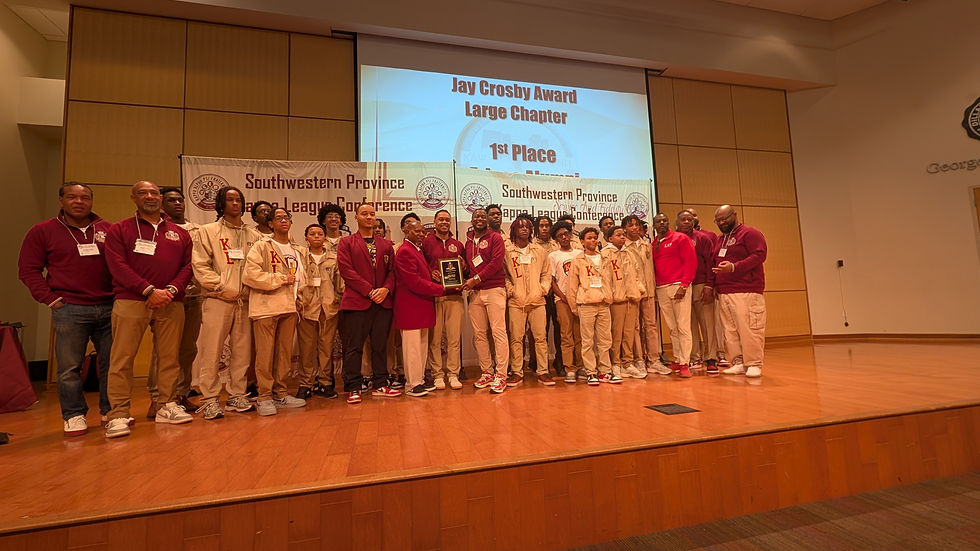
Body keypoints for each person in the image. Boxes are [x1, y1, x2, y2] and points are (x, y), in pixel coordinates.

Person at [18, 182, 114, 436]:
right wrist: (49, 299)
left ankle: (110, 411)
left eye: (84, 197)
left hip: (109, 307)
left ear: (92, 201)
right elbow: (28, 270)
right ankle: (73, 415)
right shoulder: (43, 231)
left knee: (112, 364)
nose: (79, 202)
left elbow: (122, 265)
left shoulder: (107, 229)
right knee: (69, 368)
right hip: (70, 309)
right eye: (72, 197)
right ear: (61, 200)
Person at [103, 181, 194, 438]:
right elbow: (116, 264)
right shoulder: (120, 229)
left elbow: (188, 266)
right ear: (133, 198)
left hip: (171, 301)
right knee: (122, 359)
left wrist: (172, 290)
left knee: (169, 357)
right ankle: (119, 414)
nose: (150, 197)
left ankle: (166, 405)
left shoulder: (179, 232)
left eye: (155, 193)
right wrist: (148, 290)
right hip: (131, 300)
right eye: (144, 193)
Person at [191, 186, 263, 420]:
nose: (235, 204)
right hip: (218, 299)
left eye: (238, 200)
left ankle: (236, 395)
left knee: (242, 352)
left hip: (245, 301)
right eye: (229, 200)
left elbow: (259, 268)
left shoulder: (254, 235)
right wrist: (221, 287)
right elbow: (200, 265)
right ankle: (210, 399)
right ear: (220, 204)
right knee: (212, 351)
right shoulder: (207, 231)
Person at [242, 207, 308, 415]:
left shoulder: (297, 249)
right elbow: (250, 275)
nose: (283, 221)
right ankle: (264, 397)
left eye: (286, 218)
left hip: (289, 307)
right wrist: (280, 279)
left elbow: (302, 278)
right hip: (266, 307)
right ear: (270, 224)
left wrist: (300, 298)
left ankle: (281, 393)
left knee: (284, 353)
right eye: (278, 218)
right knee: (265, 354)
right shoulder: (262, 246)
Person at [146, 187, 202, 418]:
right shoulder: (154, 230)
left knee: (188, 349)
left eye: (180, 199)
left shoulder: (197, 230)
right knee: (163, 350)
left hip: (194, 296)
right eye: (171, 200)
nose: (177, 203)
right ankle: (158, 398)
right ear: (161, 202)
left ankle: (180, 394)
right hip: (165, 297)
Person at [337, 203, 400, 404]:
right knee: (354, 347)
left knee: (380, 346)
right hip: (357, 302)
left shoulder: (386, 244)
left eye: (372, 214)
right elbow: (347, 271)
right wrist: (369, 291)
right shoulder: (346, 242)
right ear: (356, 217)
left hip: (382, 302)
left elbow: (392, 272)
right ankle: (354, 386)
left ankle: (381, 383)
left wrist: (386, 289)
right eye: (364, 214)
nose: (369, 217)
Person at [710, 205, 768, 378]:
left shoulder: (750, 233)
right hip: (725, 291)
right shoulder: (721, 238)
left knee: (749, 328)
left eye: (725, 219)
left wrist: (734, 267)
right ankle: (738, 362)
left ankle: (754, 363)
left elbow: (759, 255)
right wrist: (715, 285)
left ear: (734, 215)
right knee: (730, 329)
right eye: (718, 221)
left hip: (747, 289)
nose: (721, 223)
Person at [394, 218, 448, 397]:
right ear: (406, 231)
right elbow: (414, 282)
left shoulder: (416, 250)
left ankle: (420, 379)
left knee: (422, 345)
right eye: (417, 231)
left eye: (423, 232)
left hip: (421, 305)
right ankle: (412, 383)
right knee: (412, 348)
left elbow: (422, 276)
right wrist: (440, 289)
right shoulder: (404, 251)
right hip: (410, 306)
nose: (422, 235)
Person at [503, 214, 553, 386]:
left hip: (537, 301)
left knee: (540, 338)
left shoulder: (539, 250)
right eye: (521, 226)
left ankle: (543, 371)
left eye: (527, 226)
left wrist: (543, 289)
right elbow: (505, 276)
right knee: (516, 338)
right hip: (516, 302)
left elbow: (546, 274)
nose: (524, 229)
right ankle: (517, 371)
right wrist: (511, 290)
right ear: (514, 229)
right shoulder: (507, 251)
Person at [463, 207, 508, 394]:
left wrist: (476, 279)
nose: (480, 218)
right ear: (472, 220)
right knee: (479, 334)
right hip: (475, 293)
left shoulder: (495, 238)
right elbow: (470, 268)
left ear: (487, 220)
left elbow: (496, 263)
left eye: (483, 216)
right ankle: (487, 372)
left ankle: (501, 376)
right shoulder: (467, 242)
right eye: (476, 216)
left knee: (498, 333)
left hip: (494, 289)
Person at [421, 209, 466, 390]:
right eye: (441, 219)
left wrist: (463, 267)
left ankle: (453, 374)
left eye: (447, 220)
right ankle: (437, 374)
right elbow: (421, 265)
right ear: (434, 221)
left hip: (455, 295)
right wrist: (430, 272)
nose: (444, 222)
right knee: (435, 339)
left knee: (454, 339)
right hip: (435, 296)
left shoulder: (458, 244)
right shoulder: (426, 242)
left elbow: (466, 270)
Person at [296, 223, 342, 400]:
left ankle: (324, 382)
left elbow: (340, 283)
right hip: (307, 308)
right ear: (306, 238)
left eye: (320, 233)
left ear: (324, 238)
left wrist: (337, 299)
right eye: (312, 233)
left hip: (328, 309)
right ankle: (305, 383)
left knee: (326, 348)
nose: (316, 236)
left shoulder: (333, 258)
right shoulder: (301, 257)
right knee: (306, 349)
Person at [566, 227, 615, 385]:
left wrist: (609, 296)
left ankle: (605, 371)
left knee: (605, 339)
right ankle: (591, 371)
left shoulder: (604, 259)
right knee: (587, 340)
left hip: (603, 303)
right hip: (586, 304)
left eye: (595, 238)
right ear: (582, 241)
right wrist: (574, 307)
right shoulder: (578, 261)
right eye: (589, 238)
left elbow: (610, 281)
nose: (593, 241)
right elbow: (572, 287)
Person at [623, 215, 670, 375]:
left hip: (649, 291)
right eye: (631, 226)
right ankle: (639, 359)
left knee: (651, 326)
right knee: (635, 327)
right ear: (625, 229)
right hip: (633, 293)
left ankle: (654, 360)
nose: (634, 228)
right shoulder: (623, 248)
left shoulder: (647, 245)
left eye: (637, 225)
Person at [652, 213, 697, 378]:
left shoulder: (680, 238)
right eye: (658, 221)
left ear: (669, 223)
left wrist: (684, 285)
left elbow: (691, 262)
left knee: (683, 326)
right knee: (672, 327)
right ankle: (678, 358)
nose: (662, 223)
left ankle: (685, 363)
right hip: (661, 288)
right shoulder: (654, 244)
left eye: (665, 220)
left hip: (679, 286)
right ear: (654, 225)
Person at [678, 210, 719, 374]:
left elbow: (711, 262)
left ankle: (711, 358)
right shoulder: (674, 239)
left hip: (701, 284)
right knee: (689, 325)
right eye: (683, 219)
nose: (687, 222)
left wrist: (710, 285)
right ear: (677, 222)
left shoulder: (702, 238)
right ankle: (695, 357)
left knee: (707, 323)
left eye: (689, 219)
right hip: (682, 286)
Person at [602, 225, 645, 379]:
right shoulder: (605, 254)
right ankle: (615, 363)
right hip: (616, 300)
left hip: (631, 298)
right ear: (610, 238)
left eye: (623, 235)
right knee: (616, 333)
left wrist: (638, 289)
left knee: (629, 333)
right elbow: (605, 277)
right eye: (618, 235)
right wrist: (611, 294)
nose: (622, 237)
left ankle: (628, 362)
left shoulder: (629, 253)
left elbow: (637, 273)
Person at [548, 221, 583, 383]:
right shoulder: (553, 256)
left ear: (571, 234)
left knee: (581, 335)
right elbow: (552, 281)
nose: (564, 237)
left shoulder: (579, 253)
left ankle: (582, 365)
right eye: (560, 235)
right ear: (555, 239)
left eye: (566, 234)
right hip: (562, 301)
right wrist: (563, 297)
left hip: (580, 299)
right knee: (566, 335)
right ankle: (570, 368)